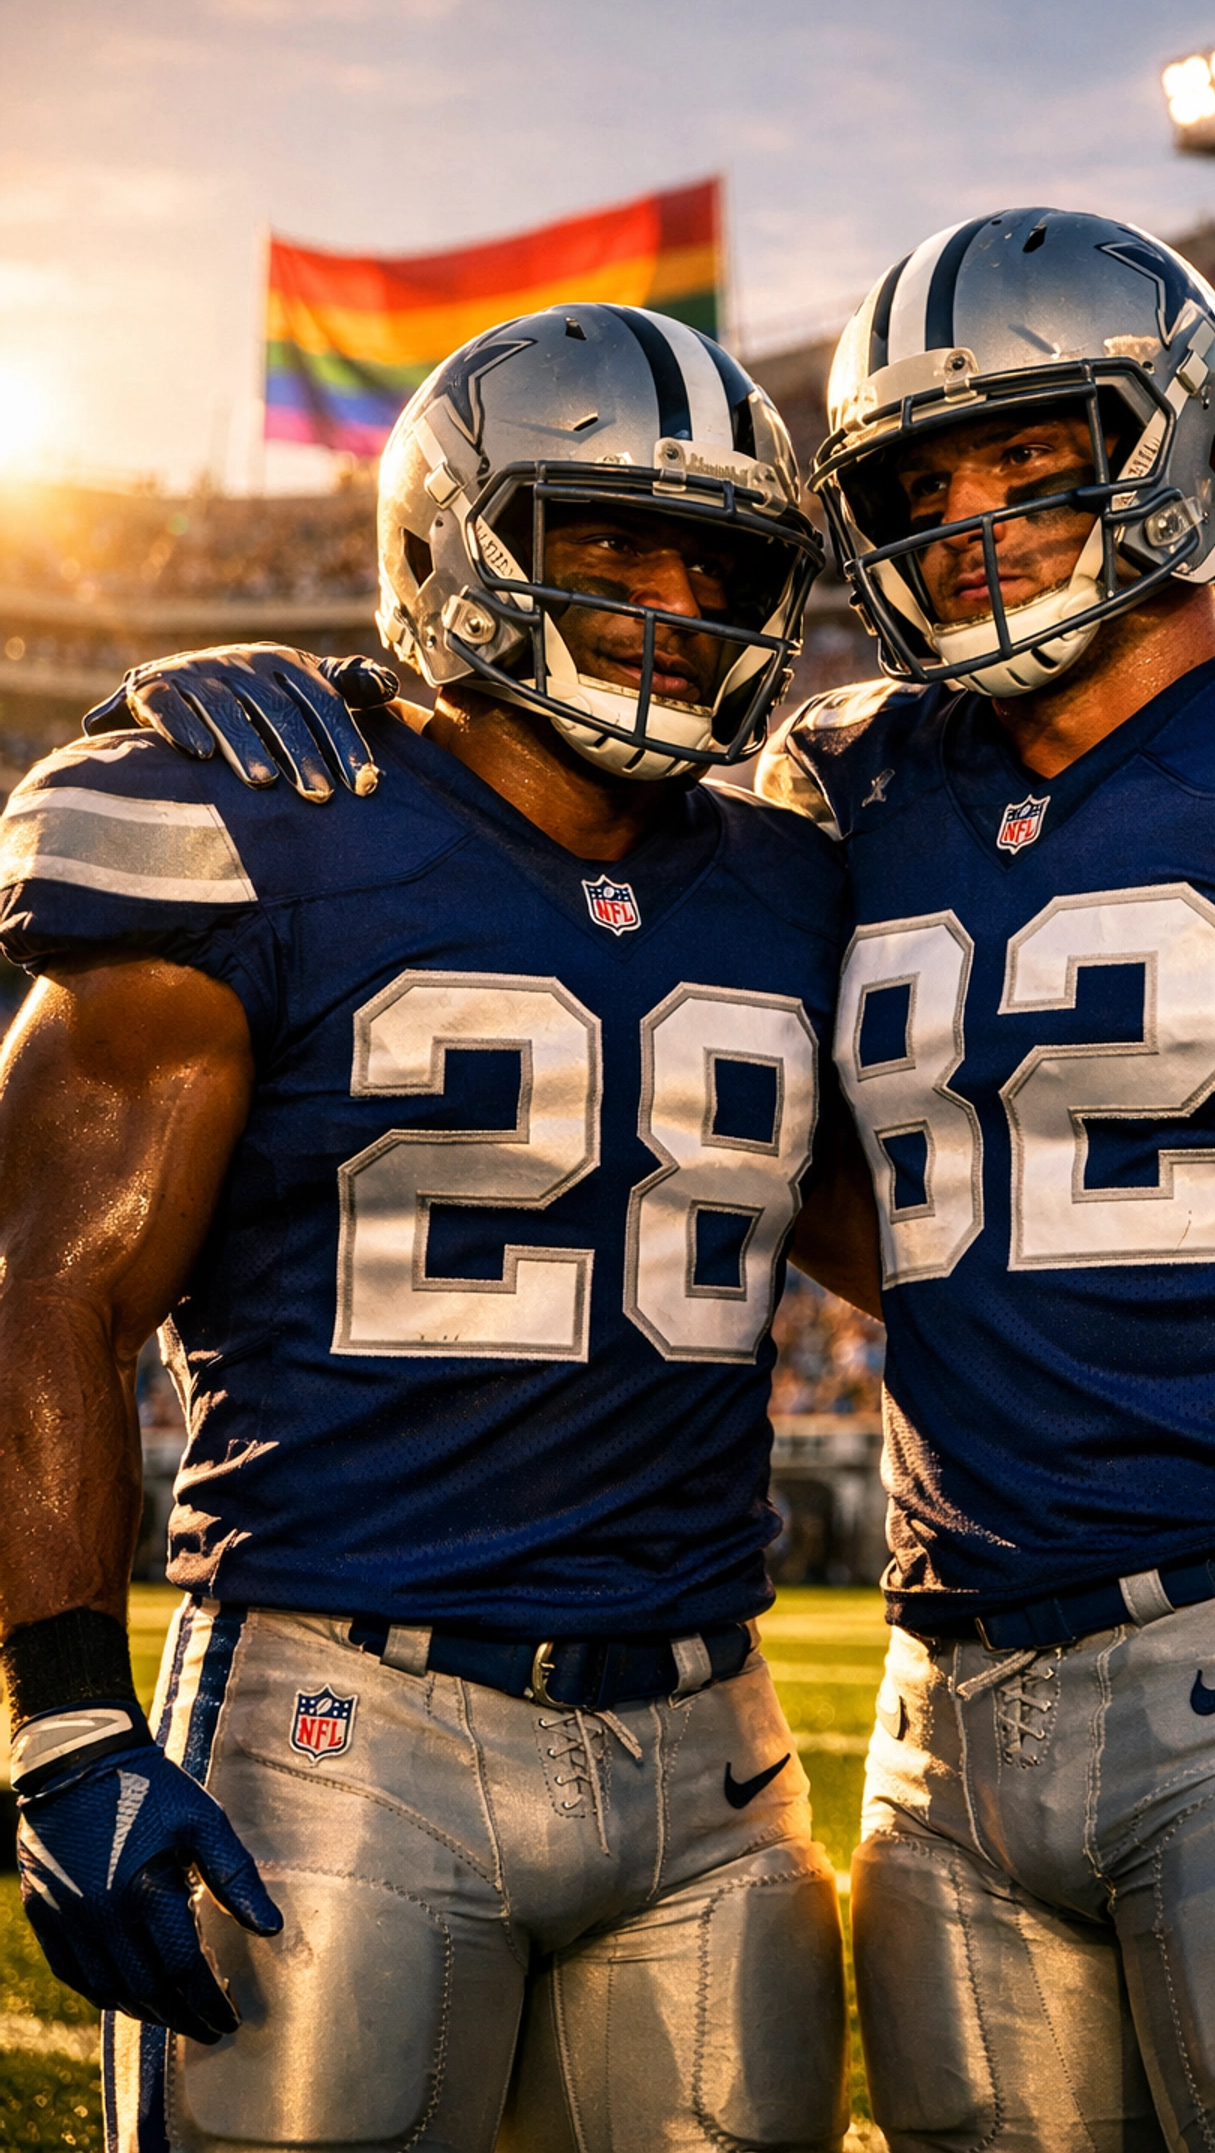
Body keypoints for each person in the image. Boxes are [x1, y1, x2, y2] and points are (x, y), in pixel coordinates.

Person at [139, 211, 1215, 2151]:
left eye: (1033, 459)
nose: (972, 519)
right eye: (914, 480)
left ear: (1179, 437)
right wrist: (341, 693)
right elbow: (629, 986)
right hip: (945, 1690)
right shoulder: (847, 783)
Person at [0, 303, 867, 2153]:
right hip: (341, 1713)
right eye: (604, 541)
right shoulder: (255, 813)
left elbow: (956, 1231)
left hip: (711, 1740)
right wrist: (63, 1715)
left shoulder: (804, 881)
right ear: (456, 548)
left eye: (712, 555)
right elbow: (42, 1290)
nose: (665, 598)